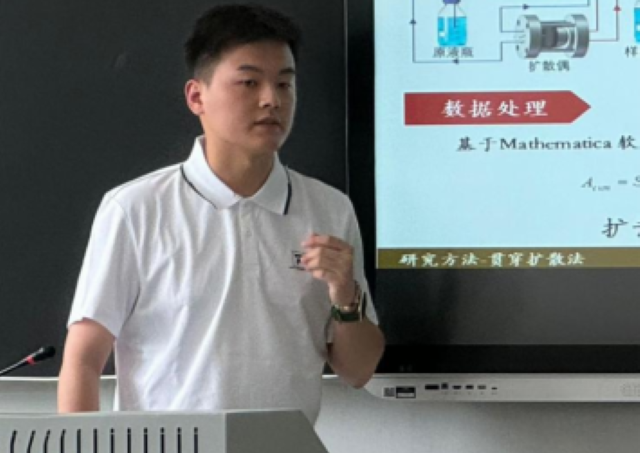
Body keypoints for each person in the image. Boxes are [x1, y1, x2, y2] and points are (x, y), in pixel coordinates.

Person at [58, 3, 384, 424]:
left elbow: (358, 372)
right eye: (249, 82)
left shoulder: (329, 208)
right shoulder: (135, 209)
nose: (271, 100)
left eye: (284, 84)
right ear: (197, 96)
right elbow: (84, 359)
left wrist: (345, 295)